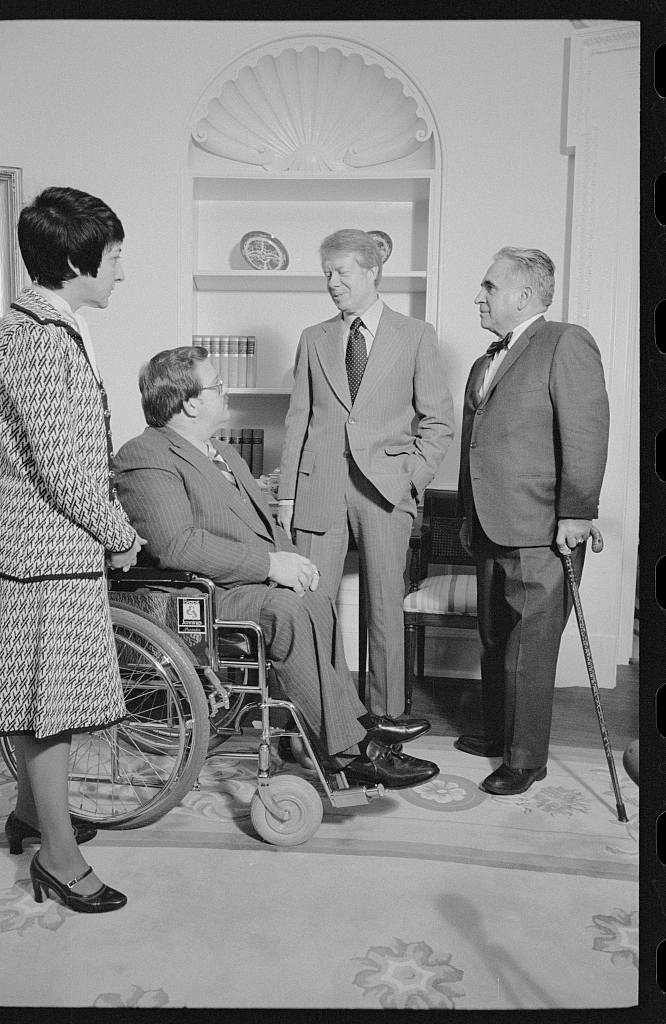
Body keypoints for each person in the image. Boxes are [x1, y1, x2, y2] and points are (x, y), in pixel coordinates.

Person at [113, 346, 441, 790]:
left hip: (237, 583)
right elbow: (177, 545)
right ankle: (348, 753)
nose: (224, 391)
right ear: (190, 402)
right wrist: (271, 566)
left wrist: (294, 562)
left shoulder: (223, 454)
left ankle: (355, 724)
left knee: (314, 597)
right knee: (285, 611)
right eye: (216, 386)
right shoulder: (145, 454)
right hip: (197, 595)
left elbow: (265, 525)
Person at [0, 187, 145, 912]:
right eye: (113, 258)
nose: (121, 272)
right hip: (49, 555)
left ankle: (28, 814)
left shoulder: (30, 326)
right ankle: (57, 856)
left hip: (33, 549)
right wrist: (121, 534)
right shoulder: (43, 342)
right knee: (52, 710)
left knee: (39, 699)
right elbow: (64, 469)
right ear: (78, 261)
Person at [277, 229, 454, 727]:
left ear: (374, 272)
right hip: (319, 489)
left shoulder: (416, 335)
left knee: (385, 610)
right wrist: (287, 498)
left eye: (343, 273)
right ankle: (320, 713)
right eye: (326, 274)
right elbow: (298, 421)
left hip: (386, 493)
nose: (332, 283)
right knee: (312, 608)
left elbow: (438, 421)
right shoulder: (313, 338)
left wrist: (410, 480)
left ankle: (387, 714)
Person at [457, 247, 609, 795]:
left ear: (523, 296)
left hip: (544, 527)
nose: (479, 295)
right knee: (495, 637)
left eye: (489, 286)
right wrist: (466, 515)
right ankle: (498, 735)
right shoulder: (483, 362)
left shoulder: (566, 342)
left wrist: (576, 512)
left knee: (531, 647)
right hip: (489, 523)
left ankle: (525, 759)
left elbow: (586, 433)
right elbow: (475, 447)